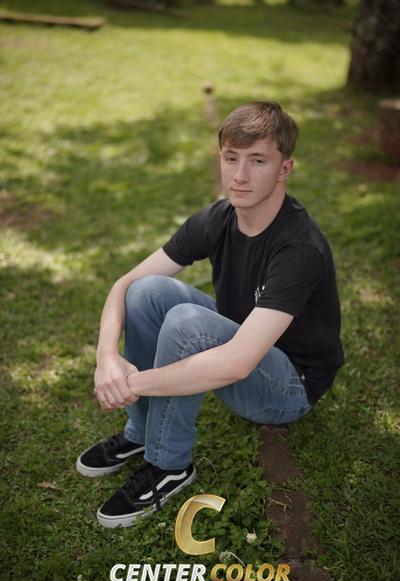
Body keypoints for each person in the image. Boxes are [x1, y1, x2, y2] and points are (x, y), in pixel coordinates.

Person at [76, 101, 344, 528]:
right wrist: (106, 357)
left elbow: (237, 363)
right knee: (147, 291)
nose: (240, 176)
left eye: (258, 161)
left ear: (285, 168)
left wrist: (130, 384)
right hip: (242, 342)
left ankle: (169, 465)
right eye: (231, 158)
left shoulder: (299, 249)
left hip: (290, 385)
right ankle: (140, 433)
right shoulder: (218, 218)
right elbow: (124, 284)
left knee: (188, 324)